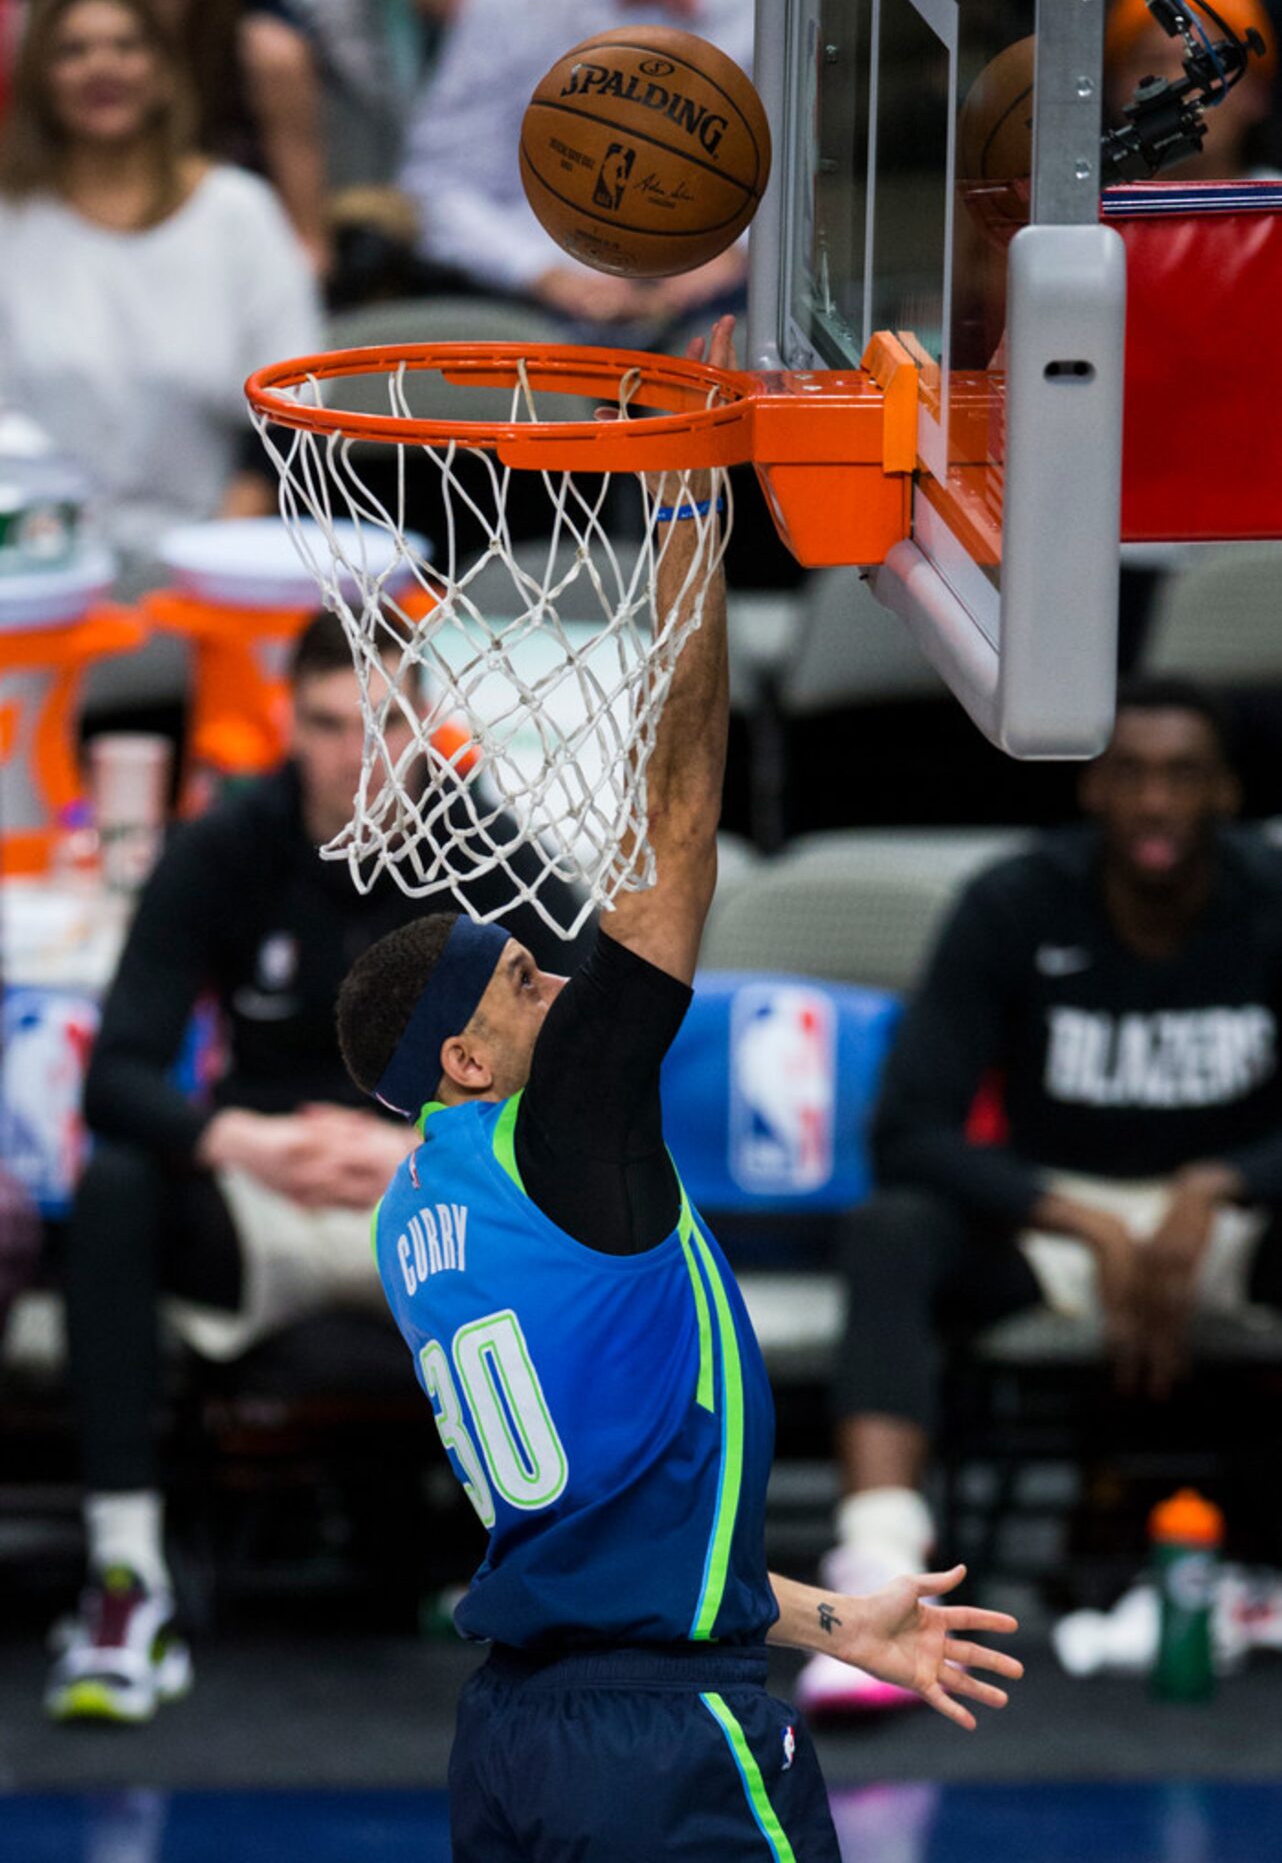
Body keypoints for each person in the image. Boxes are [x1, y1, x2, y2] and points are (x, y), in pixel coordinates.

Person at [334, 317, 1022, 1862]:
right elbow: (679, 826)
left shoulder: (416, 1216)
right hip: (663, 1743)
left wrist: (834, 1617)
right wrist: (690, 515)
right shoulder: (563, 1132)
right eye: (525, 983)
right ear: (464, 1058)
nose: (561, 986)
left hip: (514, 1738)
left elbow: (615, 1531)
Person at [45, 612, 588, 1724]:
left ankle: (574, 1569)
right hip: (269, 1202)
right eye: (334, 725)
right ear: (289, 729)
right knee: (116, 1186)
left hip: (444, 1200)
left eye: (389, 722)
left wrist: (417, 1144)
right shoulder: (230, 845)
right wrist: (253, 1143)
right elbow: (118, 1075)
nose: (362, 754)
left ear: (431, 728)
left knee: (594, 1187)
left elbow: (603, 1050)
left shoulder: (483, 846)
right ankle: (125, 1577)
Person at [798, 677, 1282, 1718]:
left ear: (1228, 794)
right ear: (1094, 790)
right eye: (1132, 774)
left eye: (1183, 776)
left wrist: (1218, 1185)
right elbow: (908, 1131)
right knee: (891, 1231)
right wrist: (1080, 1218)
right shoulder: (1013, 902)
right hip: (1056, 1224)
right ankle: (877, 1578)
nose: (1155, 802)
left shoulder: (1271, 900)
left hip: (1236, 1224)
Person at [0, 0, 322, 593]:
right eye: (73, 50)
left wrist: (213, 562)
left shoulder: (240, 214)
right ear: (40, 76)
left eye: (126, 46)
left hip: (210, 570)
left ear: (166, 71)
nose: (102, 66)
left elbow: (294, 415)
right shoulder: (9, 221)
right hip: (32, 575)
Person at [397, 0, 754, 330]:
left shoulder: (774, 2)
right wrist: (539, 271)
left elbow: (800, 173)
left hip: (727, 290)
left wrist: (738, 250)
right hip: (537, 296)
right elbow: (439, 184)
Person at [1104, 0, 1279, 180]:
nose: (1174, 77)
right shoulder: (1080, 206)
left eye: (1207, 66)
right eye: (1153, 60)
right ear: (1113, 87)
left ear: (1258, 90)